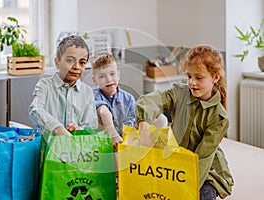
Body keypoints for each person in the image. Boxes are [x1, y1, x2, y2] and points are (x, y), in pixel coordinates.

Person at [135, 45, 234, 199]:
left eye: (199, 77)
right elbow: (149, 100)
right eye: (189, 77)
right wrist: (143, 126)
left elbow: (201, 161)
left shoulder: (219, 118)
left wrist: (181, 189)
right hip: (177, 162)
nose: (192, 83)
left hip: (206, 171)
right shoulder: (180, 93)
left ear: (215, 78)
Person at [29, 35, 98, 136]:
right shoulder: (45, 85)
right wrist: (57, 128)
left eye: (82, 62)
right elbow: (36, 110)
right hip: (49, 149)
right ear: (57, 62)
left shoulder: (87, 91)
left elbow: (91, 125)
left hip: (75, 149)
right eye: (70, 61)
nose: (76, 67)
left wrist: (79, 129)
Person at [91, 52, 136, 144]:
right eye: (102, 76)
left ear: (118, 74)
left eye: (112, 74)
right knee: (103, 110)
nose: (108, 79)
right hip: (102, 142)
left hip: (124, 140)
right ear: (95, 80)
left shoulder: (129, 99)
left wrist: (125, 139)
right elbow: (103, 112)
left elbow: (131, 121)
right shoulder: (92, 95)